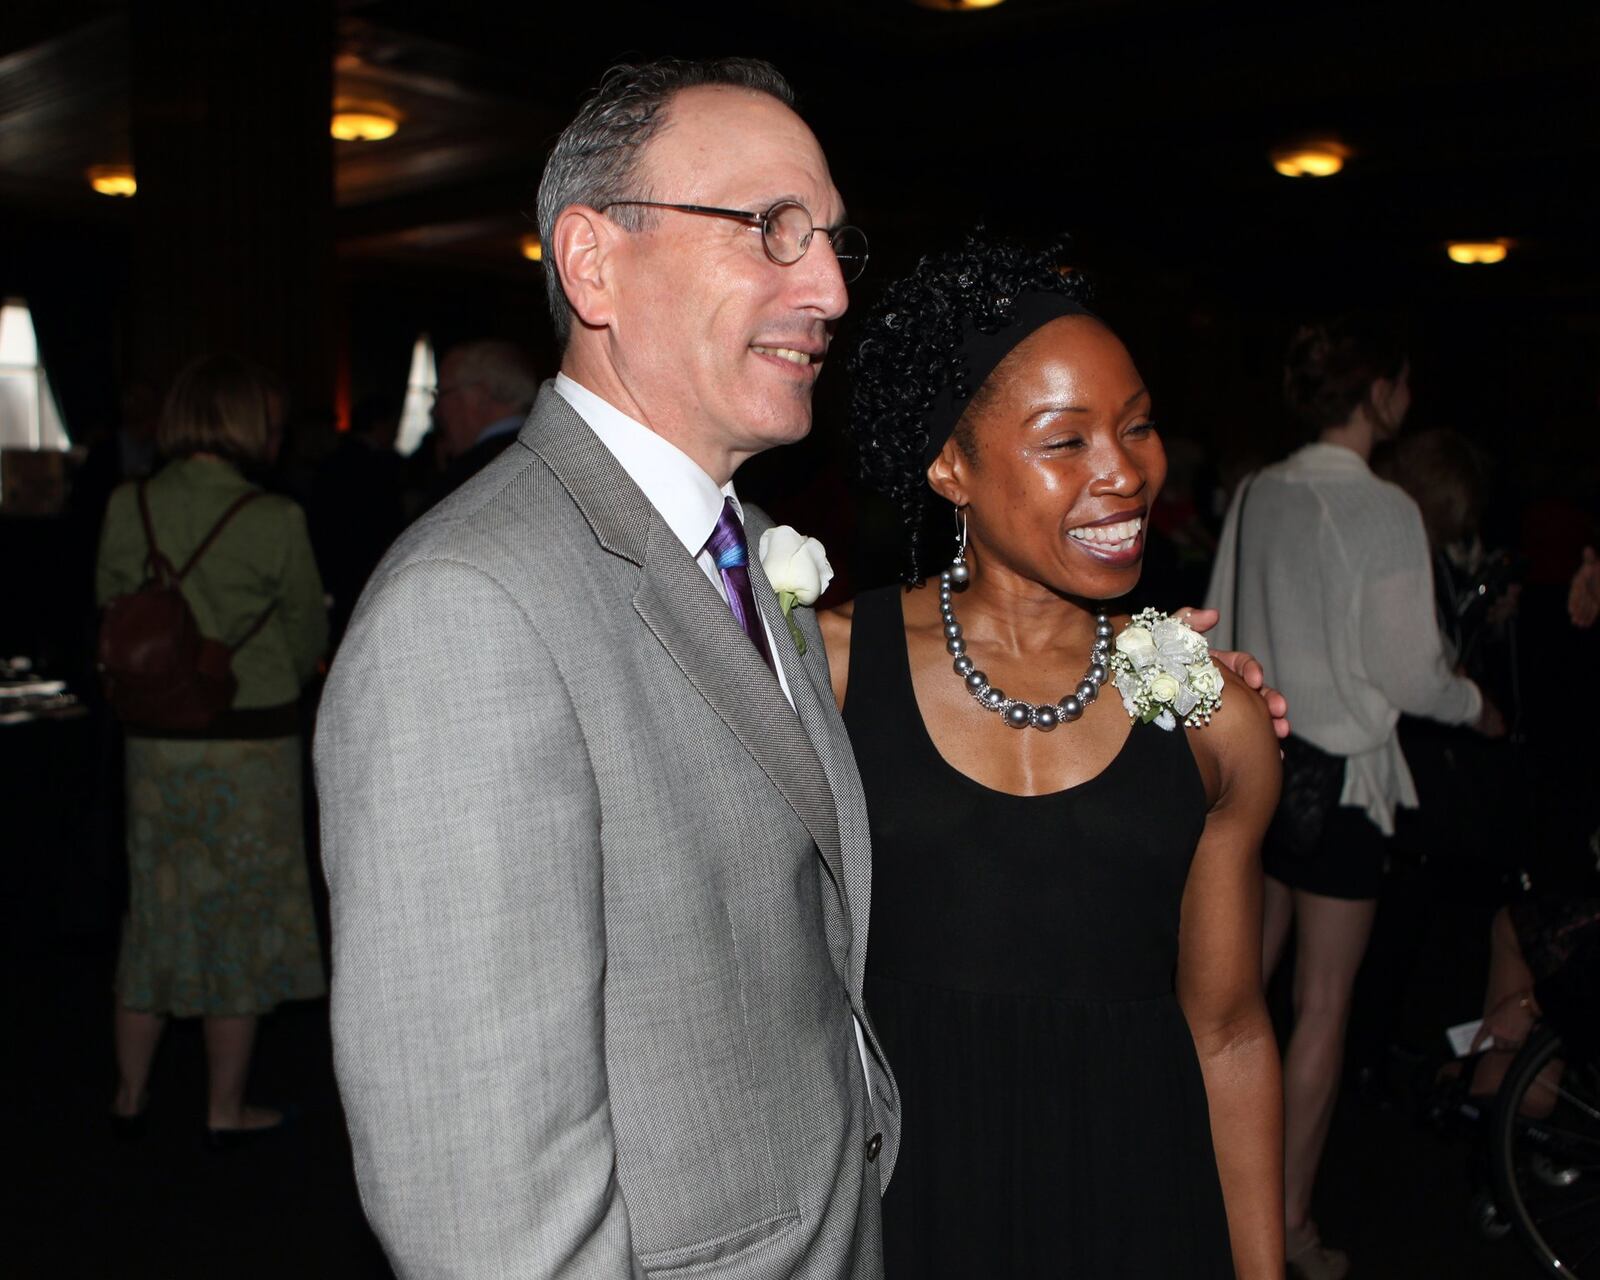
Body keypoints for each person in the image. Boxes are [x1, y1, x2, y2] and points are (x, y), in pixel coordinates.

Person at [314, 58, 896, 1279]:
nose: (832, 286)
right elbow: (484, 1208)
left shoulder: (733, 543)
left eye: (835, 239)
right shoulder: (468, 611)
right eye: (771, 229)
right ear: (592, 263)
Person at [827, 232, 1285, 1278]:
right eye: (1063, 440)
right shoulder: (832, 672)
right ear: (951, 465)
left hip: (1139, 1204)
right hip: (911, 1210)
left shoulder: (1210, 714)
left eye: (1136, 426)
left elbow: (1228, 1031)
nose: (1125, 472)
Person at [1206, 317, 1506, 1279]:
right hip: (1338, 787)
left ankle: (1212, 1193)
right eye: (1402, 383)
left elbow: (1219, 617)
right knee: (1320, 1009)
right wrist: (1479, 707)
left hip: (1263, 768)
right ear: (1377, 393)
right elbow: (1413, 674)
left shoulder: (1259, 490)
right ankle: (1284, 1224)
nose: (1408, 400)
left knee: (1233, 1004)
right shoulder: (1380, 507)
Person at [96, 353, 328, 1145]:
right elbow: (306, 637)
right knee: (239, 917)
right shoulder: (274, 519)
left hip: (153, 741)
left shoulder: (129, 504)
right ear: (243, 423)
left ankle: (130, 1094)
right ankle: (224, 1108)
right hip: (250, 743)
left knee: (156, 909)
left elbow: (109, 614)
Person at [428, 338, 540, 499]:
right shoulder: (552, 454)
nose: (434, 410)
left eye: (442, 394)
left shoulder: (465, 480)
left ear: (478, 397)